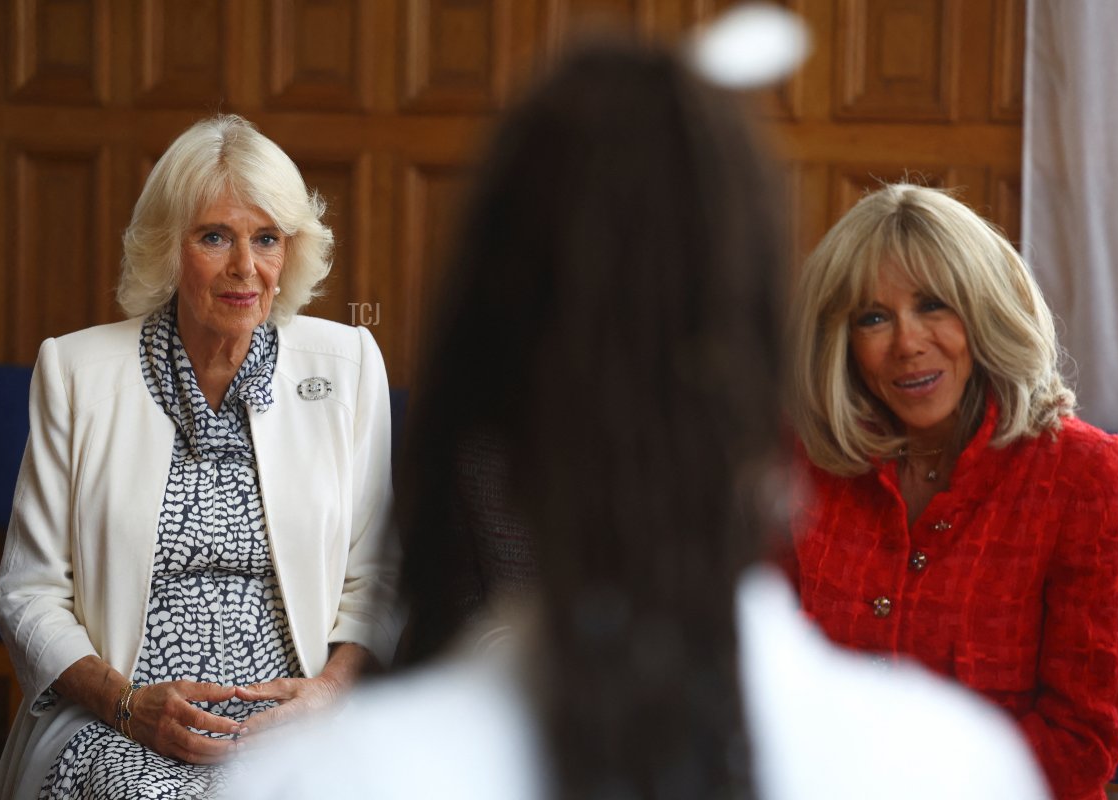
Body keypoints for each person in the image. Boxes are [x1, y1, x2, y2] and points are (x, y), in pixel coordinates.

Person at [230, 38, 1048, 799]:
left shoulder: (323, 779)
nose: (904, 341)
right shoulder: (949, 765)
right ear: (766, 370)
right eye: (875, 317)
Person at [0, 115, 402, 799]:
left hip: (293, 722)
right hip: (124, 720)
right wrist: (126, 705)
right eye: (215, 236)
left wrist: (328, 692)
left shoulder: (349, 364)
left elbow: (380, 579)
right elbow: (27, 593)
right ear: (166, 248)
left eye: (266, 238)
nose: (246, 267)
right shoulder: (77, 371)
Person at [788, 182, 1118, 799]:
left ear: (984, 310)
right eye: (873, 317)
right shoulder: (805, 462)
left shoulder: (1085, 475)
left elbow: (1080, 739)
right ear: (842, 343)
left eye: (933, 305)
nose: (907, 343)